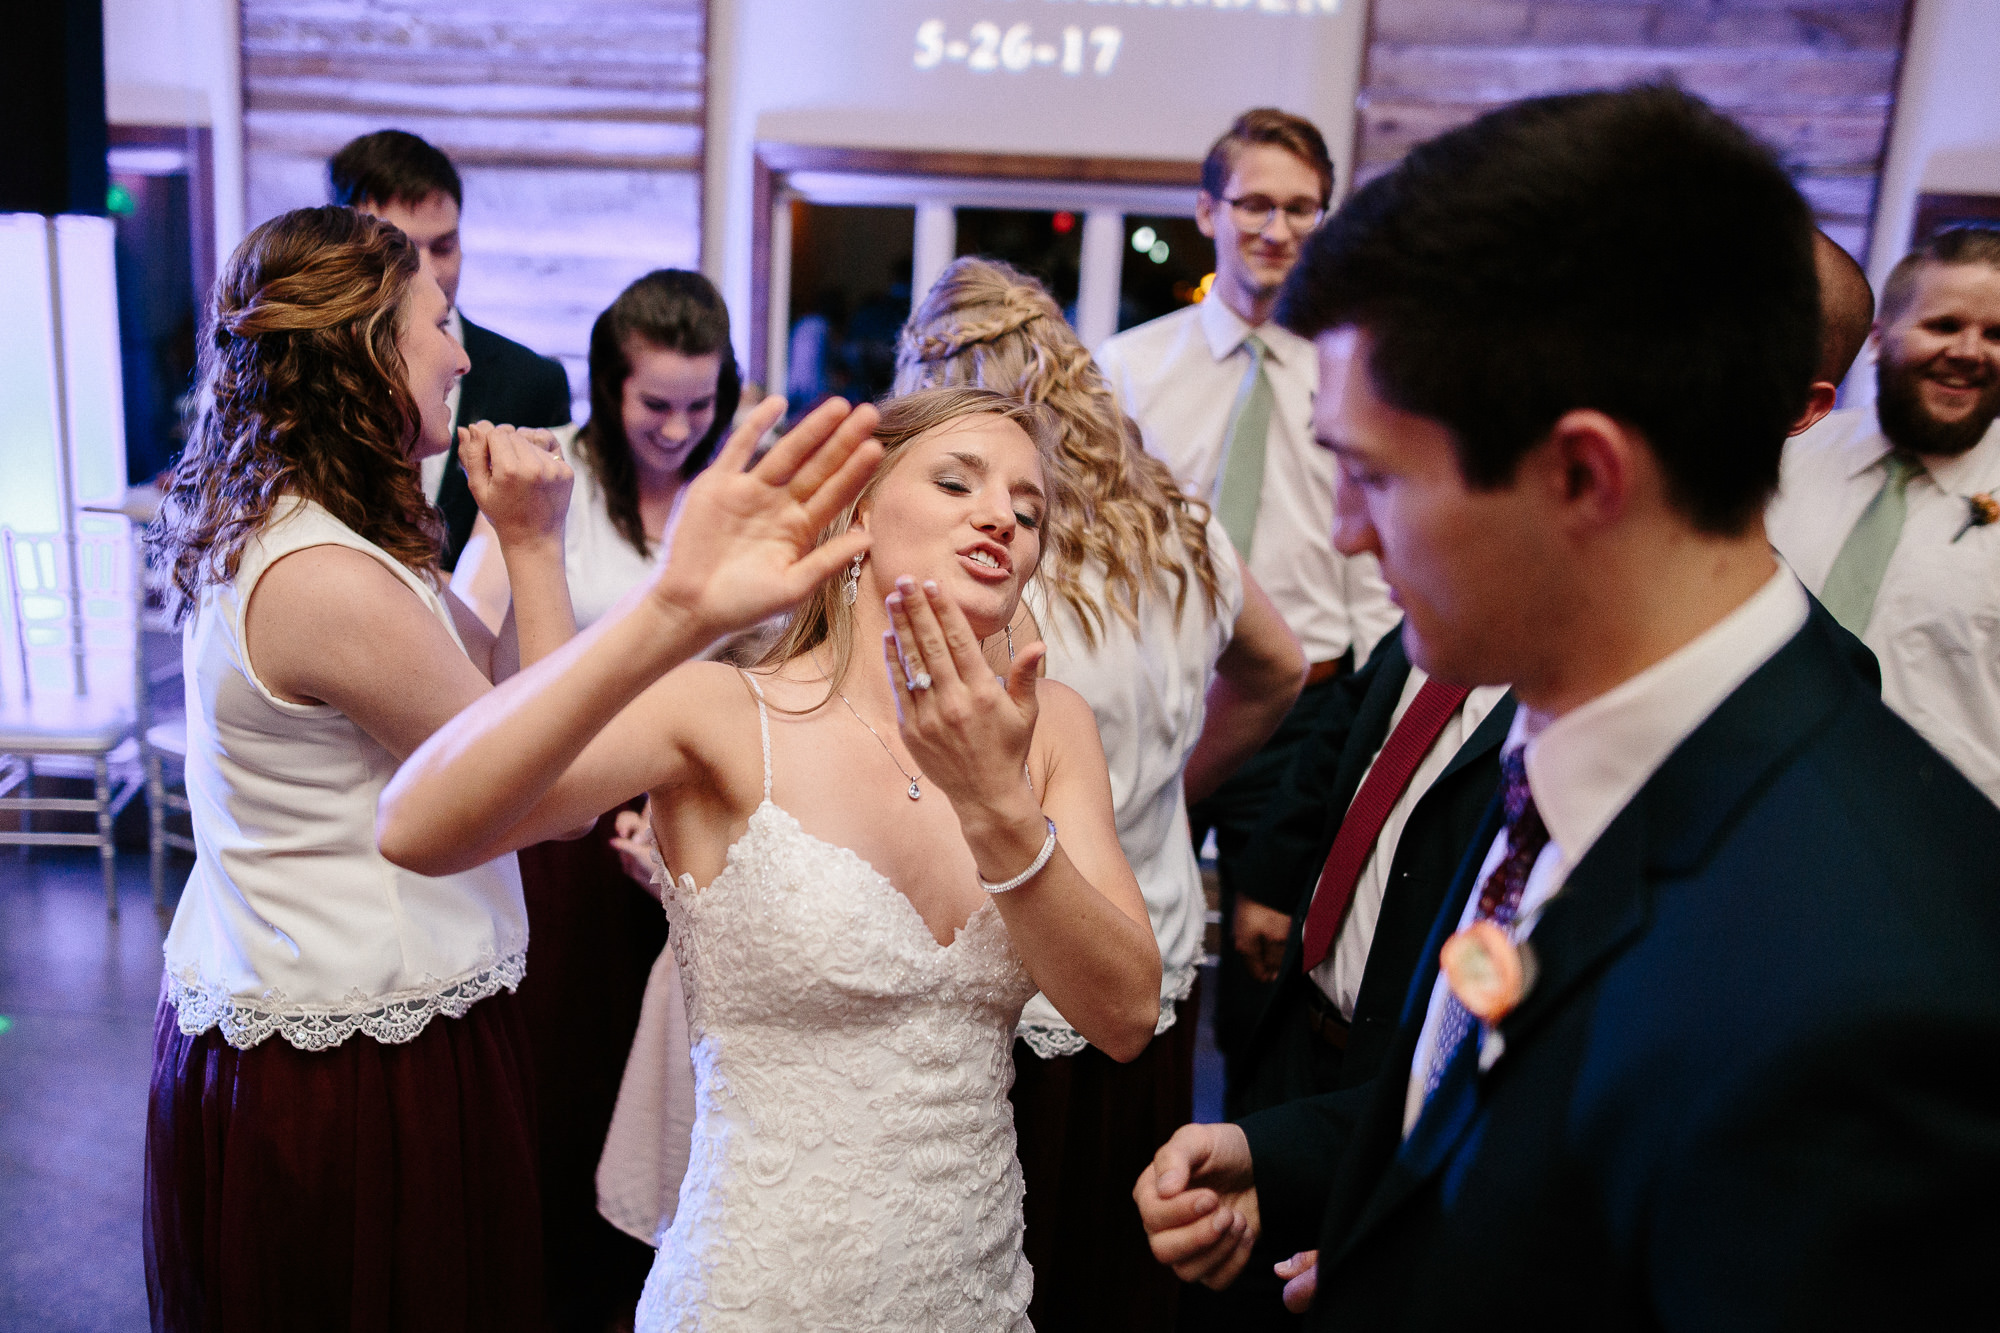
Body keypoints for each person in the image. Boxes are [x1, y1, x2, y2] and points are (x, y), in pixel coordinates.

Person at [1135, 86, 2000, 1328]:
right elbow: (1497, 1069)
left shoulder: (1877, 996)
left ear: (1582, 474)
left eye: (1373, 474)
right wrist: (1304, 1164)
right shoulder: (1557, 753)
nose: (1339, 531)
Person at [377, 385, 1163, 1330]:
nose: (1000, 513)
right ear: (860, 509)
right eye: (956, 482)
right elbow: (417, 825)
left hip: (973, 1294)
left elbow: (1125, 1015)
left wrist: (999, 809)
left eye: (1027, 511)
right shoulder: (722, 714)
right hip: (757, 1294)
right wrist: (670, 609)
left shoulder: (1049, 730)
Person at [143, 205, 579, 1329]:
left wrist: (503, 543)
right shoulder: (323, 578)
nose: (465, 353)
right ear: (371, 348)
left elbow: (487, 684)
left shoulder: (317, 525)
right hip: (349, 1061)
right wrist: (532, 545)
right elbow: (549, 790)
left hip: (324, 1007)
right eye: (440, 322)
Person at [893, 256, 1305, 1332]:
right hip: (1149, 950)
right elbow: (1280, 667)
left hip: (1010, 972)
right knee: (1110, 1276)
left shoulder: (975, 558)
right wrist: (1169, 782)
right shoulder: (1176, 524)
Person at [450, 267, 744, 1330]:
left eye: (699, 405)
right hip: (574, 829)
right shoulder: (551, 481)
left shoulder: (730, 484)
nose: (676, 428)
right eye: (653, 404)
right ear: (608, 387)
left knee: (691, 1089)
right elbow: (480, 656)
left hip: (700, 824)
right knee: (572, 1073)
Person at [1096, 108, 1399, 1085]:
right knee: (1125, 959)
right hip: (1158, 710)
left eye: (1301, 209)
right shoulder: (1127, 370)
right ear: (1206, 211)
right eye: (1255, 205)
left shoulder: (1356, 373)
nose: (1277, 229)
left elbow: (1371, 582)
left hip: (1302, 719)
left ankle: (1240, 1187)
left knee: (1269, 983)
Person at [1767, 225, 2000, 805]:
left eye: (1996, 334)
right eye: (1943, 325)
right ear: (1877, 337)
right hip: (1741, 816)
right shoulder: (1780, 458)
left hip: (1938, 848)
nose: (1968, 351)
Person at [330, 128, 572, 570]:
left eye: (444, 246)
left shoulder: (533, 382)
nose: (427, 271)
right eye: (398, 247)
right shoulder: (313, 379)